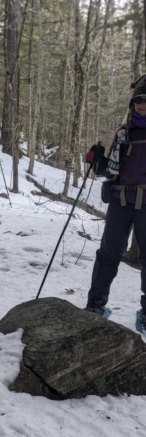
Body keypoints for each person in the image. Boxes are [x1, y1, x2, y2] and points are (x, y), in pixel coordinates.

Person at [85, 74, 146, 331]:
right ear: (132, 104)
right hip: (120, 203)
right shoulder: (123, 133)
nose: (142, 105)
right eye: (139, 101)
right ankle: (95, 306)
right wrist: (97, 161)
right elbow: (111, 169)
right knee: (108, 255)